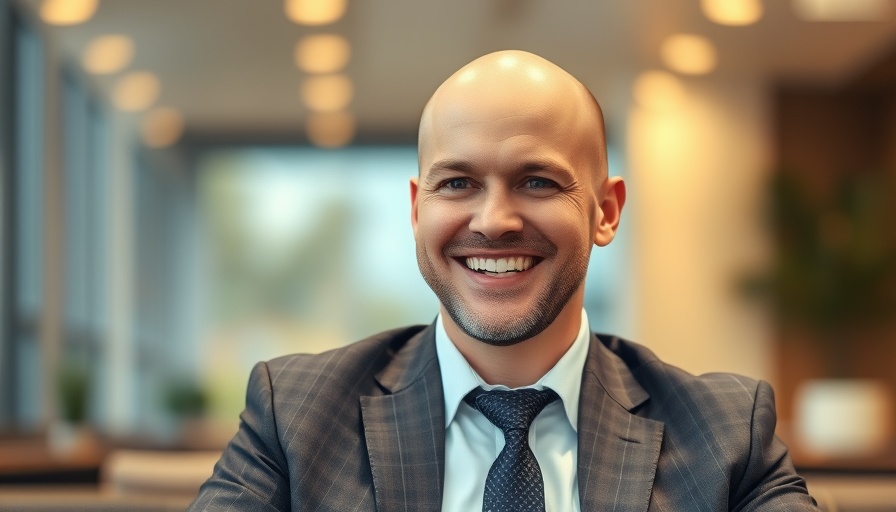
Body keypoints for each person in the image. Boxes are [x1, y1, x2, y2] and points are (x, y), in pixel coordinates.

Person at [189, 50, 818, 511]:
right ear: (416, 210)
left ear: (606, 211)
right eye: (457, 183)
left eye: (537, 181)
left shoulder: (727, 433)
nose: (493, 222)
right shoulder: (293, 414)